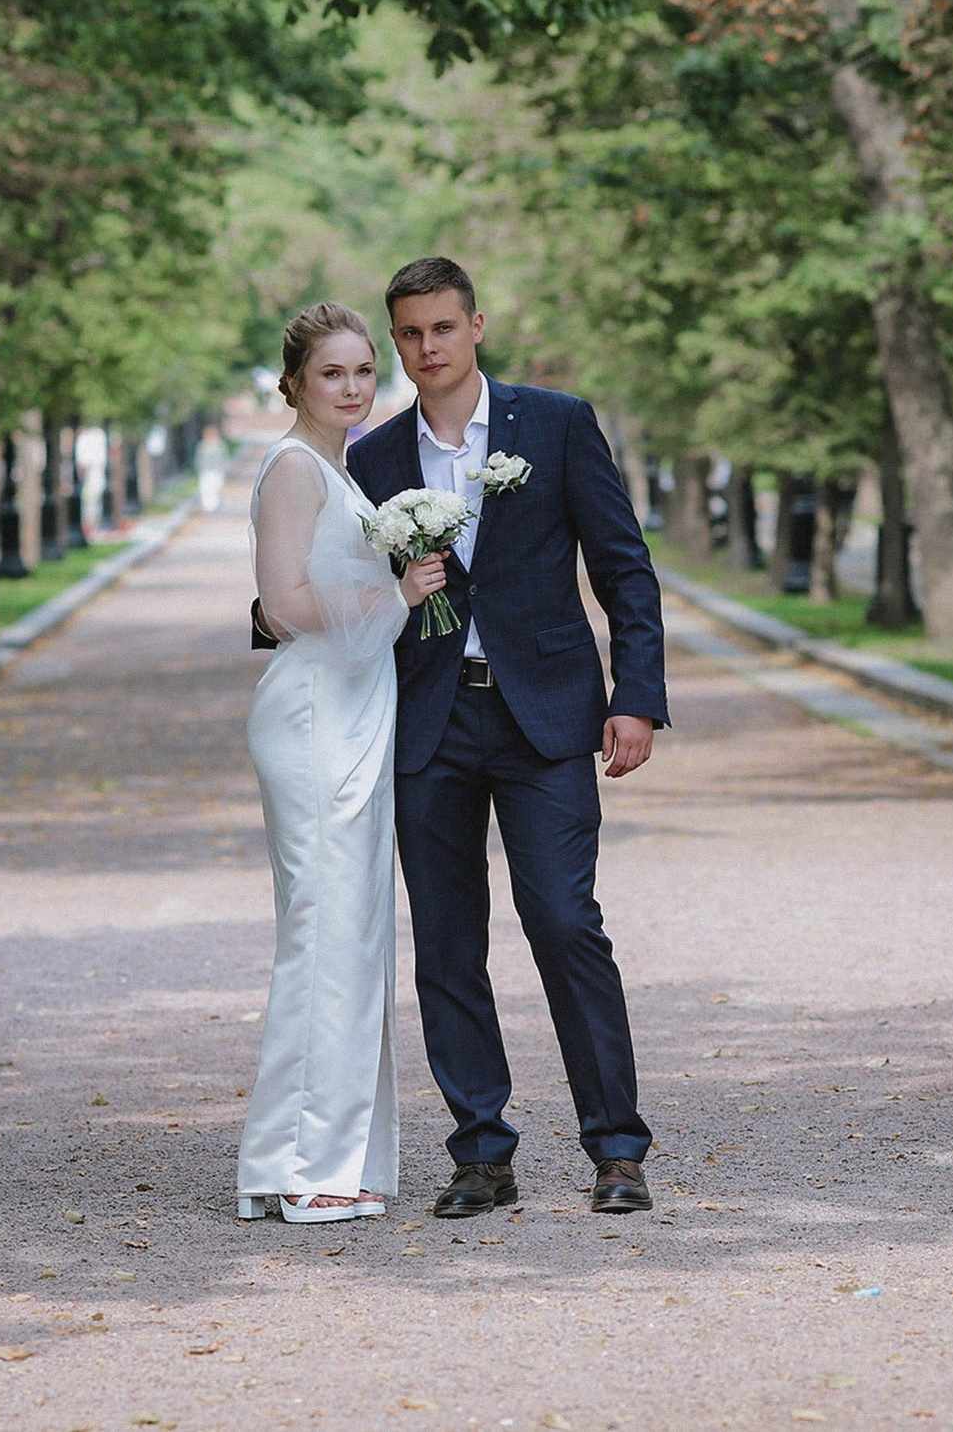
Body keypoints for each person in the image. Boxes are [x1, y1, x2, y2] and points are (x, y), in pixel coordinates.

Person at [345, 256, 668, 1220]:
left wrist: (636, 696)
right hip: (428, 724)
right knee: (446, 943)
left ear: (476, 325)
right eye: (407, 333)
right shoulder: (374, 460)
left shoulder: (558, 424)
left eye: (442, 328)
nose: (425, 349)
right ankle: (481, 1151)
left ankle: (616, 1148)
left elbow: (625, 569)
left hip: (547, 717)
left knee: (566, 922)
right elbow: (341, 595)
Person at [238, 302, 450, 1224]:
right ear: (295, 382)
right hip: (316, 714)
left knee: (356, 936)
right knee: (325, 936)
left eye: (366, 370)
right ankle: (295, 1165)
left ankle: (334, 1153)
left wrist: (389, 593)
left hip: (359, 711)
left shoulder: (339, 467)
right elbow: (280, 605)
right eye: (335, 373)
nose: (355, 387)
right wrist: (395, 592)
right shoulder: (293, 469)